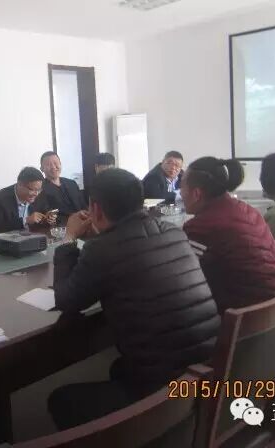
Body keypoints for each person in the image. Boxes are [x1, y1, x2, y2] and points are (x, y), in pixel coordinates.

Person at [48, 168, 220, 430]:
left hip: (167, 386)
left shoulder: (102, 250)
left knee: (61, 400)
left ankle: (150, 430)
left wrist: (69, 239)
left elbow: (66, 300)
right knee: (119, 368)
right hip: (209, 367)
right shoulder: (173, 231)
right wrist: (102, 237)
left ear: (95, 209)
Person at [181, 157, 275, 313]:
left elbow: (189, 280)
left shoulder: (200, 227)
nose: (180, 192)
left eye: (182, 186)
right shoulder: (247, 210)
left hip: (247, 318)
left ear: (197, 194)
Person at [0, 167, 54, 234]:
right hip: (9, 239)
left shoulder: (39, 195)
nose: (36, 194)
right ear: (20, 184)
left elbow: (45, 212)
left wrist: (49, 219)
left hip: (34, 237)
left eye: (39, 190)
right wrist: (25, 220)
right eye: (32, 190)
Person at [39, 151, 87, 226]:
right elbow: (47, 215)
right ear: (42, 168)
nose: (53, 167)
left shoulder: (72, 183)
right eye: (48, 164)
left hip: (83, 223)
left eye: (56, 163)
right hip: (60, 227)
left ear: (60, 164)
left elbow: (83, 206)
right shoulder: (41, 189)